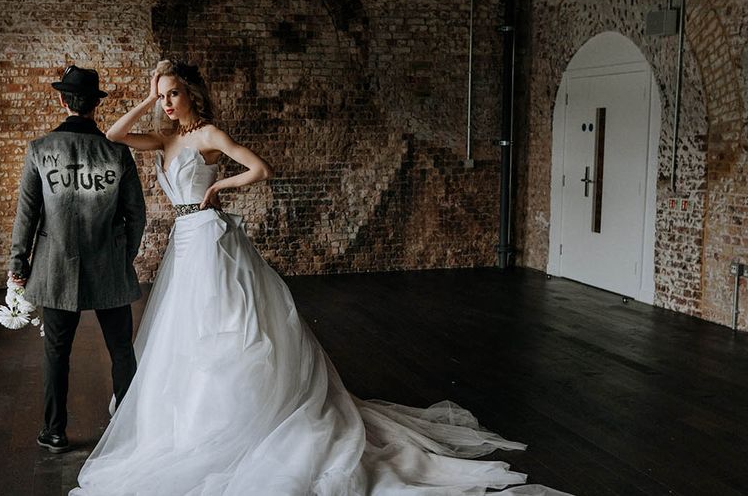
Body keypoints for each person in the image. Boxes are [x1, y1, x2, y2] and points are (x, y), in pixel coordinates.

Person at [71, 59, 570, 496]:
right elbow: (112, 135)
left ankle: (246, 418)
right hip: (183, 240)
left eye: (174, 92)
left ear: (192, 94)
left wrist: (219, 181)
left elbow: (260, 169)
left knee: (228, 327)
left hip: (208, 237)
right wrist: (147, 96)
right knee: (183, 333)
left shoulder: (207, 136)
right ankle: (192, 424)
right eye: (164, 96)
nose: (169, 102)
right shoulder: (164, 137)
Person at [8, 65, 146, 454]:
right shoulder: (116, 153)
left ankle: (54, 431)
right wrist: (124, 255)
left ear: (62, 99)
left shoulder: (40, 150)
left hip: (55, 268)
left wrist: (18, 266)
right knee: (121, 349)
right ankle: (131, 428)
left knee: (56, 351)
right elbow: (137, 215)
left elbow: (27, 215)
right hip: (110, 267)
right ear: (94, 105)